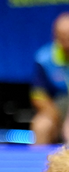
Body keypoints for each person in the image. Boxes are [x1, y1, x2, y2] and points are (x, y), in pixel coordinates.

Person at [31, 12, 69, 146]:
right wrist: (55, 116)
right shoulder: (44, 58)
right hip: (56, 107)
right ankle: (39, 160)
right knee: (41, 126)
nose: (65, 40)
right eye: (61, 35)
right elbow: (38, 95)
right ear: (54, 35)